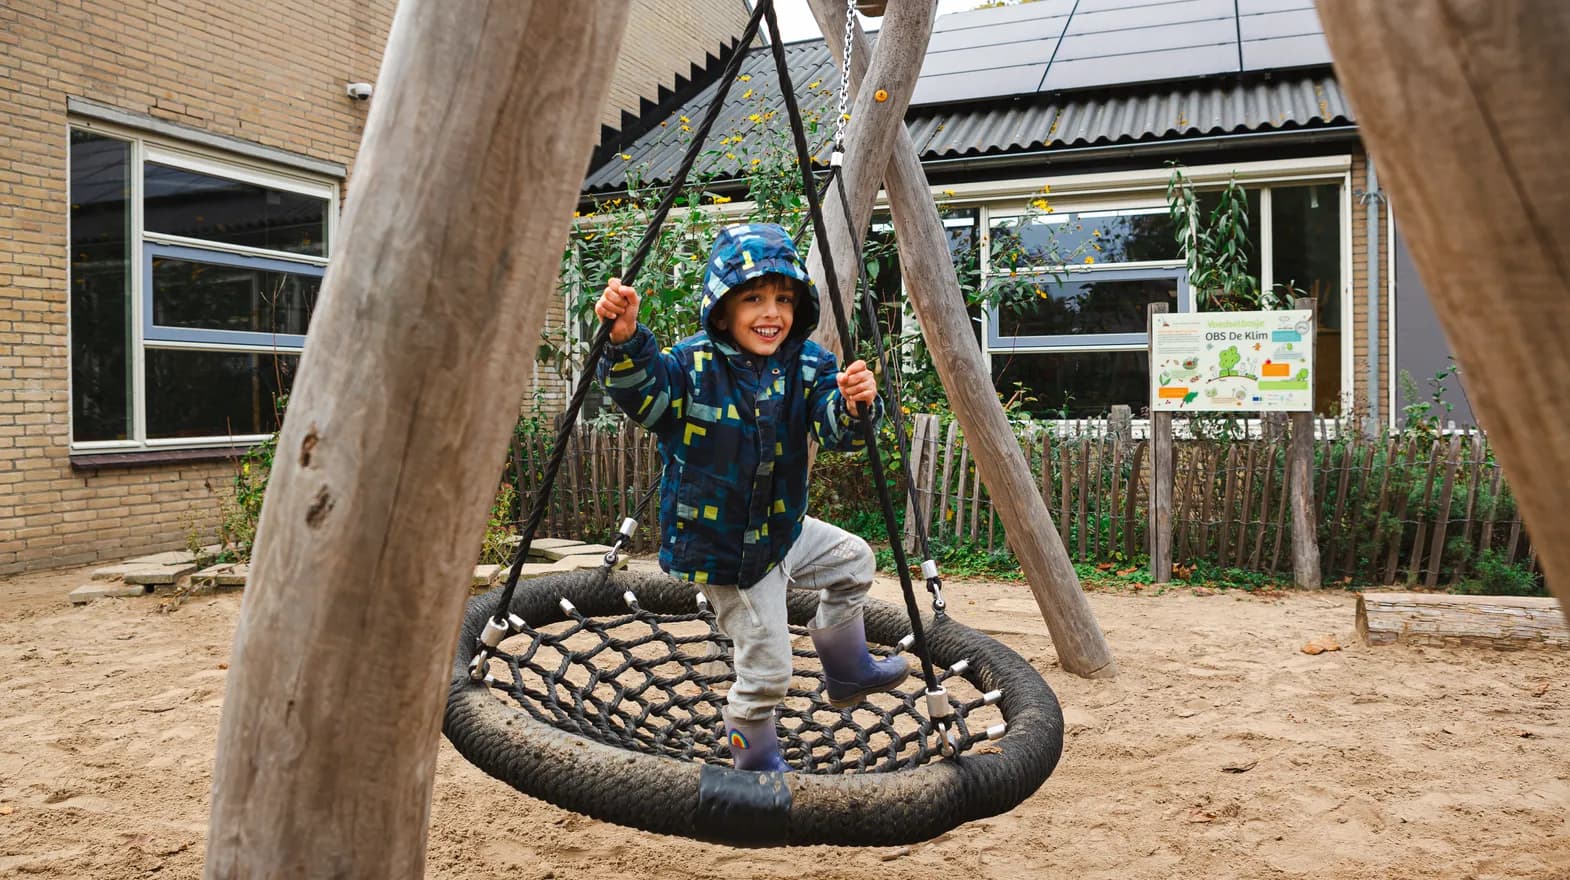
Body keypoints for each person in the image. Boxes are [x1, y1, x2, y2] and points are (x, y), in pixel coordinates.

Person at [594, 222, 909, 772]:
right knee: (768, 670)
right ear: (722, 308)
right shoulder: (690, 367)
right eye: (754, 298)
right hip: (729, 552)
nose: (772, 313)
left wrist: (857, 405)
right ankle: (754, 762)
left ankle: (847, 670)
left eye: (784, 299)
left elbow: (835, 430)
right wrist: (625, 342)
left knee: (854, 560)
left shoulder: (809, 364)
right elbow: (644, 399)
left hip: (782, 527)